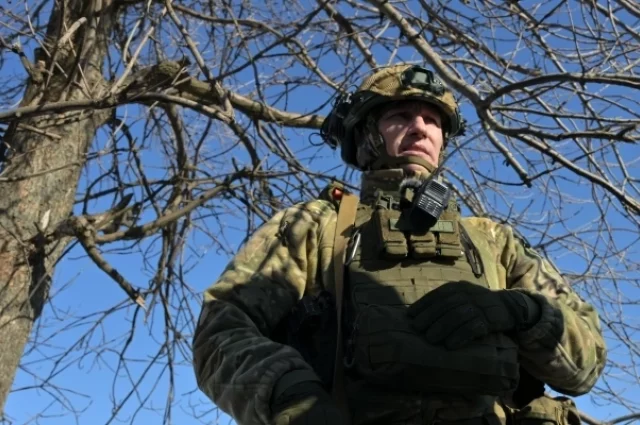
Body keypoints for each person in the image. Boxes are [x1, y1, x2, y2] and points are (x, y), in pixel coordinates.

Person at [192, 64, 606, 425]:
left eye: (433, 120)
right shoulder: (315, 226)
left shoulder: (495, 242)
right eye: (401, 115)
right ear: (366, 133)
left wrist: (523, 312)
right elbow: (222, 331)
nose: (421, 127)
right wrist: (290, 395)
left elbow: (586, 365)